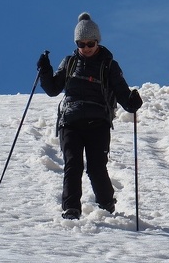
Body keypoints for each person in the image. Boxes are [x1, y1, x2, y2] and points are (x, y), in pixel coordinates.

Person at [37, 12, 143, 219]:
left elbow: (122, 92)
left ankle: (106, 205)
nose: (86, 48)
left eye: (90, 43)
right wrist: (44, 70)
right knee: (72, 164)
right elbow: (52, 89)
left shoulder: (109, 65)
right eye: (81, 44)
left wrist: (132, 102)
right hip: (70, 121)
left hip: (98, 121)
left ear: (97, 41)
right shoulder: (68, 63)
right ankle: (71, 208)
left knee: (96, 166)